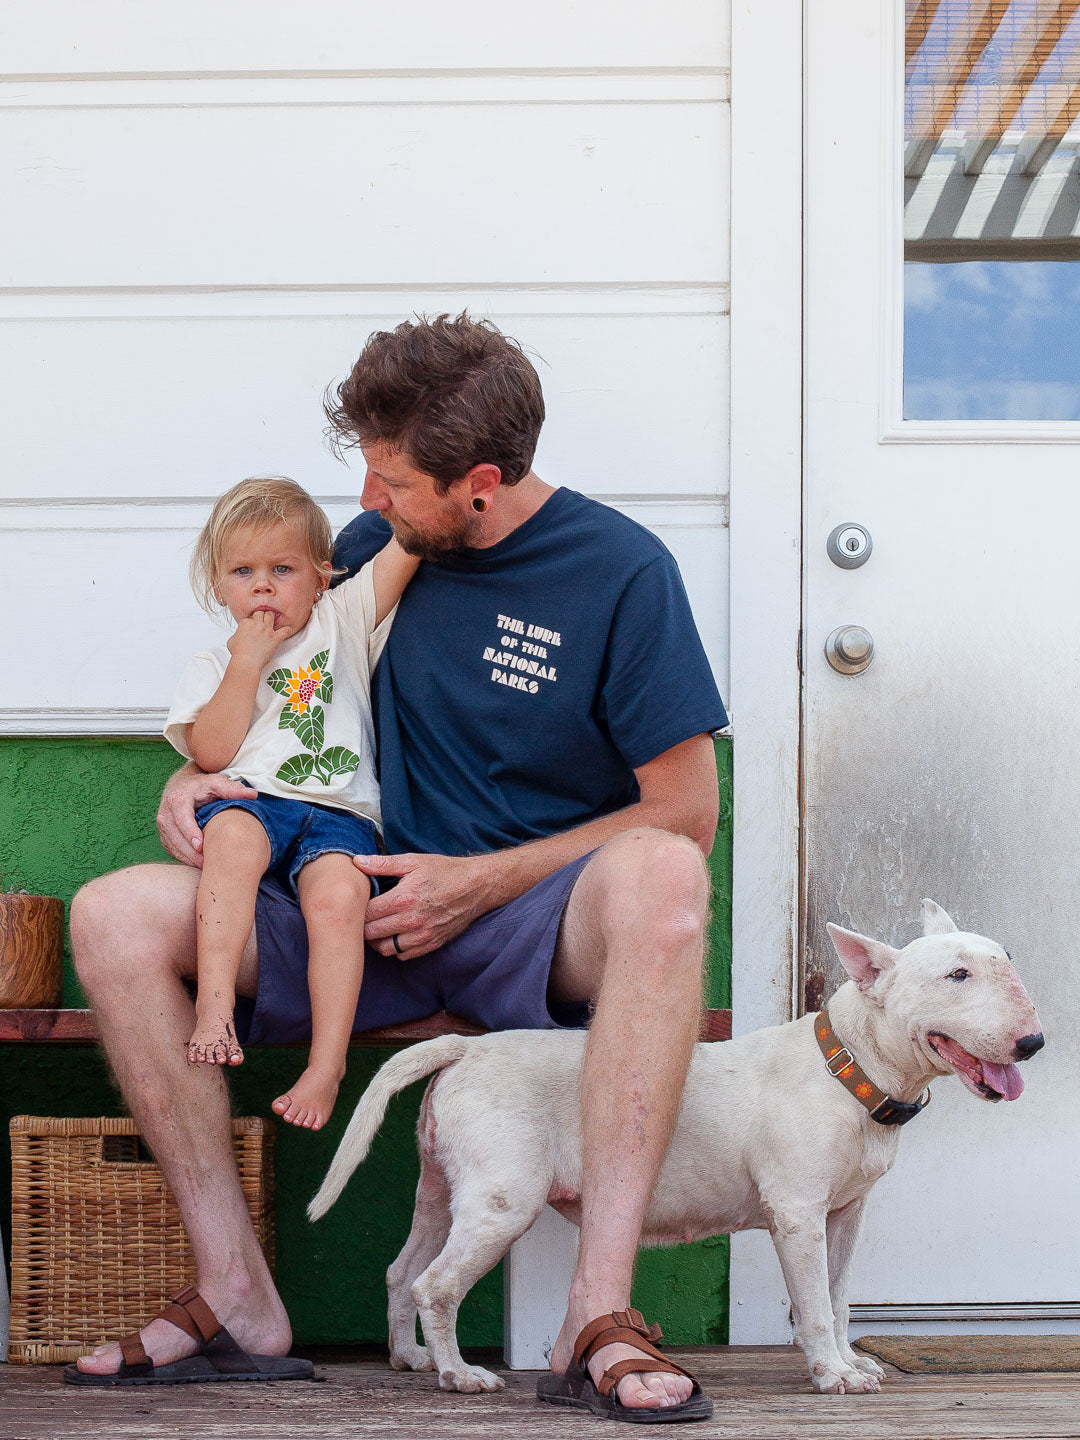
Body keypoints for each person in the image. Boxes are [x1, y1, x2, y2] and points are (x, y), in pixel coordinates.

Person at [68, 314, 728, 1418]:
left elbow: (686, 811)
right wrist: (191, 782)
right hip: (347, 899)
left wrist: (483, 880)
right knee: (112, 914)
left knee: (665, 879)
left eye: (392, 483)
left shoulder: (621, 572)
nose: (366, 504)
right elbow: (263, 707)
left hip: (527, 922)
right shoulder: (376, 553)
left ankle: (596, 1315)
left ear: (478, 482)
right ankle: (240, 1299)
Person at [164, 476, 418, 1129]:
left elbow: (409, 544)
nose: (264, 587)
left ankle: (326, 1064)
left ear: (321, 575)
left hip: (341, 815)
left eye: (284, 569)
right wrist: (246, 664)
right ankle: (215, 1006)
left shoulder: (346, 616)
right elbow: (214, 753)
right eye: (243, 572)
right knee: (230, 839)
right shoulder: (211, 662)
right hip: (254, 801)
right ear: (220, 585)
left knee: (339, 901)